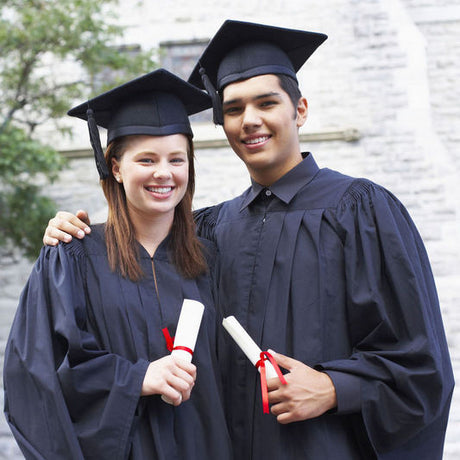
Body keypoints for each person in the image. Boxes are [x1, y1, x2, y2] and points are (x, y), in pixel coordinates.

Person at [42, 20, 454, 460]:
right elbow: (137, 294)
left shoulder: (361, 211)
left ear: (300, 110)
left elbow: (422, 364)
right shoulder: (208, 229)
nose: (250, 120)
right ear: (222, 123)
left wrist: (335, 388)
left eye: (266, 102)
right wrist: (71, 236)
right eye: (234, 108)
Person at [4, 68, 232, 460]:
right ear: (115, 167)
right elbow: (37, 373)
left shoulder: (212, 257)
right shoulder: (72, 255)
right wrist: (136, 377)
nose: (164, 173)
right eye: (146, 159)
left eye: (177, 159)